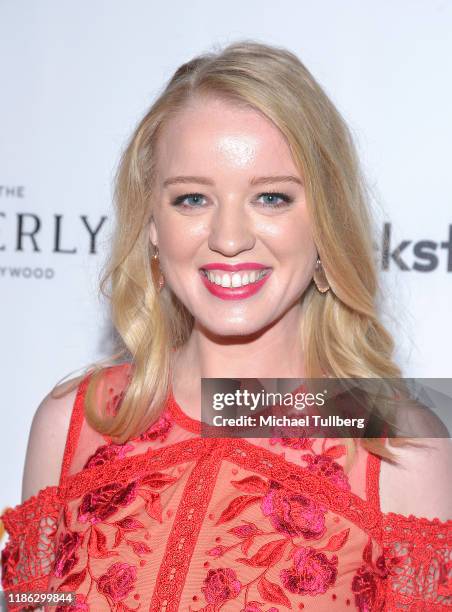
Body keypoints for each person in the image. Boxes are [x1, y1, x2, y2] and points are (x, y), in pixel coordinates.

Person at [1, 40, 451, 612]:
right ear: (152, 227)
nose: (230, 238)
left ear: (326, 227)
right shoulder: (72, 424)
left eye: (271, 197)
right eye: (192, 198)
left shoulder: (398, 449)